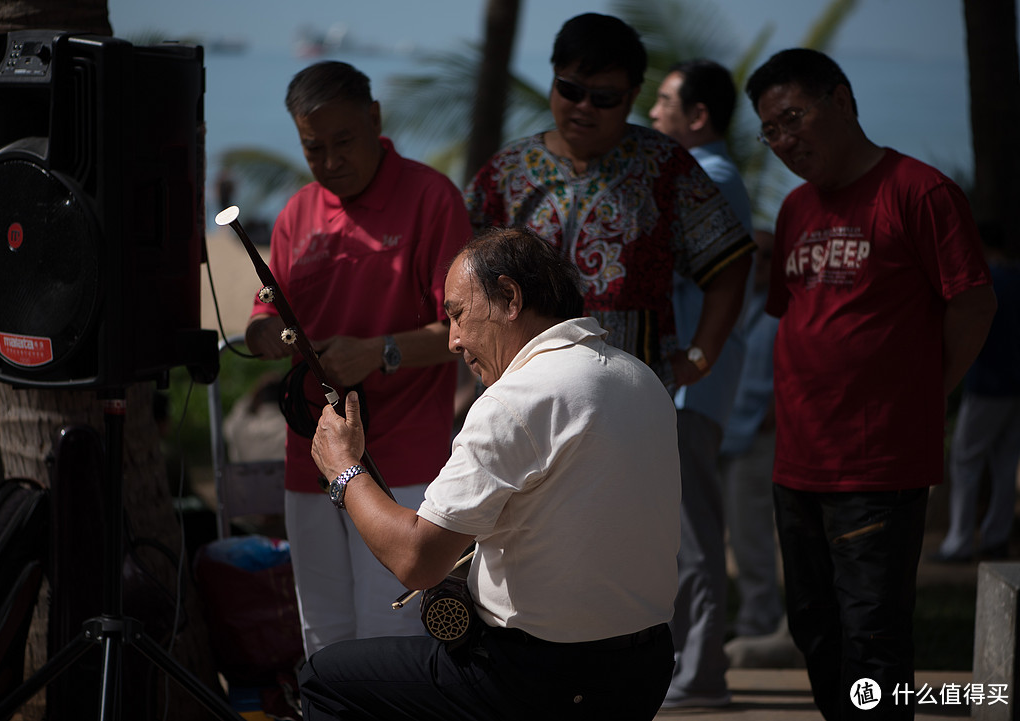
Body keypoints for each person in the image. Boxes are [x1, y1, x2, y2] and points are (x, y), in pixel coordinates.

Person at [298, 226, 682, 721]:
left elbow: (417, 561)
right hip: (644, 671)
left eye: (458, 315)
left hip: (539, 679)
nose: (454, 340)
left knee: (325, 678)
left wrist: (344, 469)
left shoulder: (513, 399)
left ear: (509, 297)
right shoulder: (640, 377)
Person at [746, 48, 997, 720]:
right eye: (771, 130)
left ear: (843, 100)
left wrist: (931, 386)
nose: (785, 140)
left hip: (876, 463)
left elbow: (973, 303)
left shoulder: (920, 191)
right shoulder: (797, 209)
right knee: (815, 629)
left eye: (794, 117)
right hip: (798, 462)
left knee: (873, 638)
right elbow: (793, 314)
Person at [244, 60, 472, 656]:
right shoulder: (297, 212)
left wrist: (379, 352)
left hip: (404, 460)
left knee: (392, 636)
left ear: (374, 119)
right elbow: (271, 309)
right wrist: (264, 331)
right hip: (312, 456)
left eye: (343, 141)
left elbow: (466, 328)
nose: (329, 161)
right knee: (322, 636)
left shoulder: (431, 198)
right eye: (313, 148)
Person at [464, 14, 753, 396]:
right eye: (570, 90)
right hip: (523, 395)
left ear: (633, 95)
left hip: (632, 397)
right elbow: (462, 275)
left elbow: (729, 264)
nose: (584, 107)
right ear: (553, 78)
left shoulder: (665, 167)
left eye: (603, 98)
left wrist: (699, 357)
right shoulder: (507, 171)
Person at [648, 57, 753, 707]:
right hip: (687, 385)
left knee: (692, 532)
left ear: (698, 116)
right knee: (681, 532)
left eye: (663, 101)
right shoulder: (705, 176)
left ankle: (701, 671)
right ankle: (690, 665)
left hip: (692, 384)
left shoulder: (709, 178)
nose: (652, 112)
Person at [932, 222, 1020, 563]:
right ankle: (995, 537)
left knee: (966, 460)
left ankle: (959, 542)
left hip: (987, 385)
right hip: (1014, 387)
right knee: (1004, 462)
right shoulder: (1015, 277)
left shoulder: (984, 280)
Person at [718, 230, 784, 639]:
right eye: (752, 257)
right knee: (711, 537)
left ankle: (759, 620)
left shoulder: (785, 308)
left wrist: (774, 413)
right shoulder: (731, 305)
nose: (759, 266)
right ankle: (723, 620)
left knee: (750, 536)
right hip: (719, 432)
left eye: (770, 257)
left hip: (757, 435)